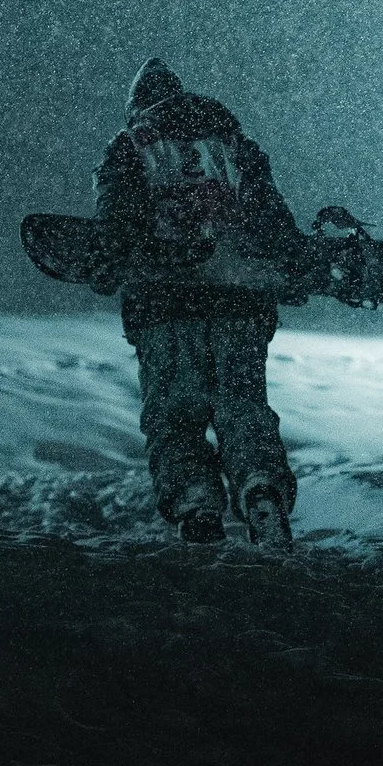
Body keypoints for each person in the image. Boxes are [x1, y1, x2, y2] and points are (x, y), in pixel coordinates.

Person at [93, 58, 304, 544]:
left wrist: (108, 266)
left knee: (175, 420)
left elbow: (115, 224)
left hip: (164, 306)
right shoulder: (235, 147)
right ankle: (262, 491)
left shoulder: (131, 147)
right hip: (241, 303)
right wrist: (289, 271)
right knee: (244, 412)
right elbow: (273, 221)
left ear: (137, 107)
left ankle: (197, 506)